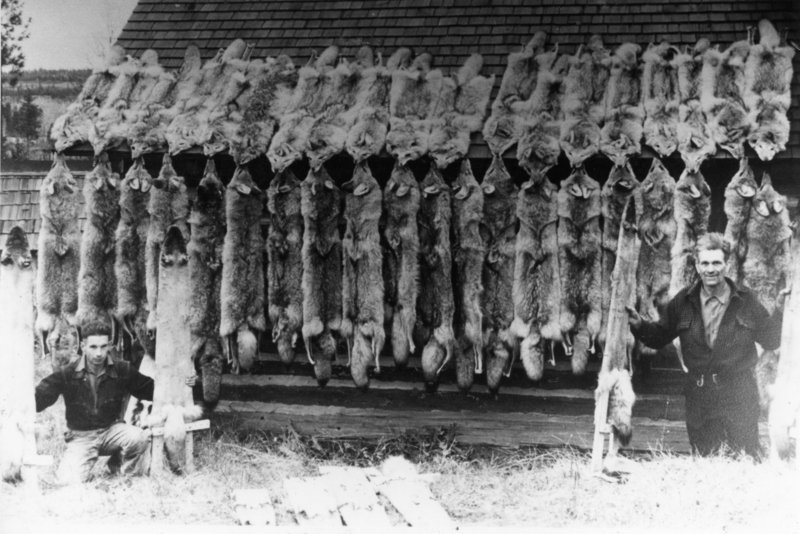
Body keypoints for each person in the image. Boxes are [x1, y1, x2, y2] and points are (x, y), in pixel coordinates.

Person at [626, 233, 785, 458]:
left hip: (739, 395)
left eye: (717, 262)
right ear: (697, 266)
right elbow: (660, 336)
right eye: (705, 263)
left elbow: (770, 339)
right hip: (701, 399)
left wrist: (779, 311)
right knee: (706, 463)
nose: (711, 269)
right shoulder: (683, 301)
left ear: (726, 265)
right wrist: (639, 325)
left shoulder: (745, 300)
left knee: (744, 462)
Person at [35, 322, 195, 484]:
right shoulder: (68, 373)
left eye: (103, 347)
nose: (99, 353)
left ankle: (120, 469)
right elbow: (41, 396)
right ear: (83, 346)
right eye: (93, 347)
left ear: (110, 345)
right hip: (81, 438)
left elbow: (153, 390)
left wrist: (182, 383)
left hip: (112, 431)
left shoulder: (122, 369)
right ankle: (82, 465)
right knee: (67, 482)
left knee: (138, 437)